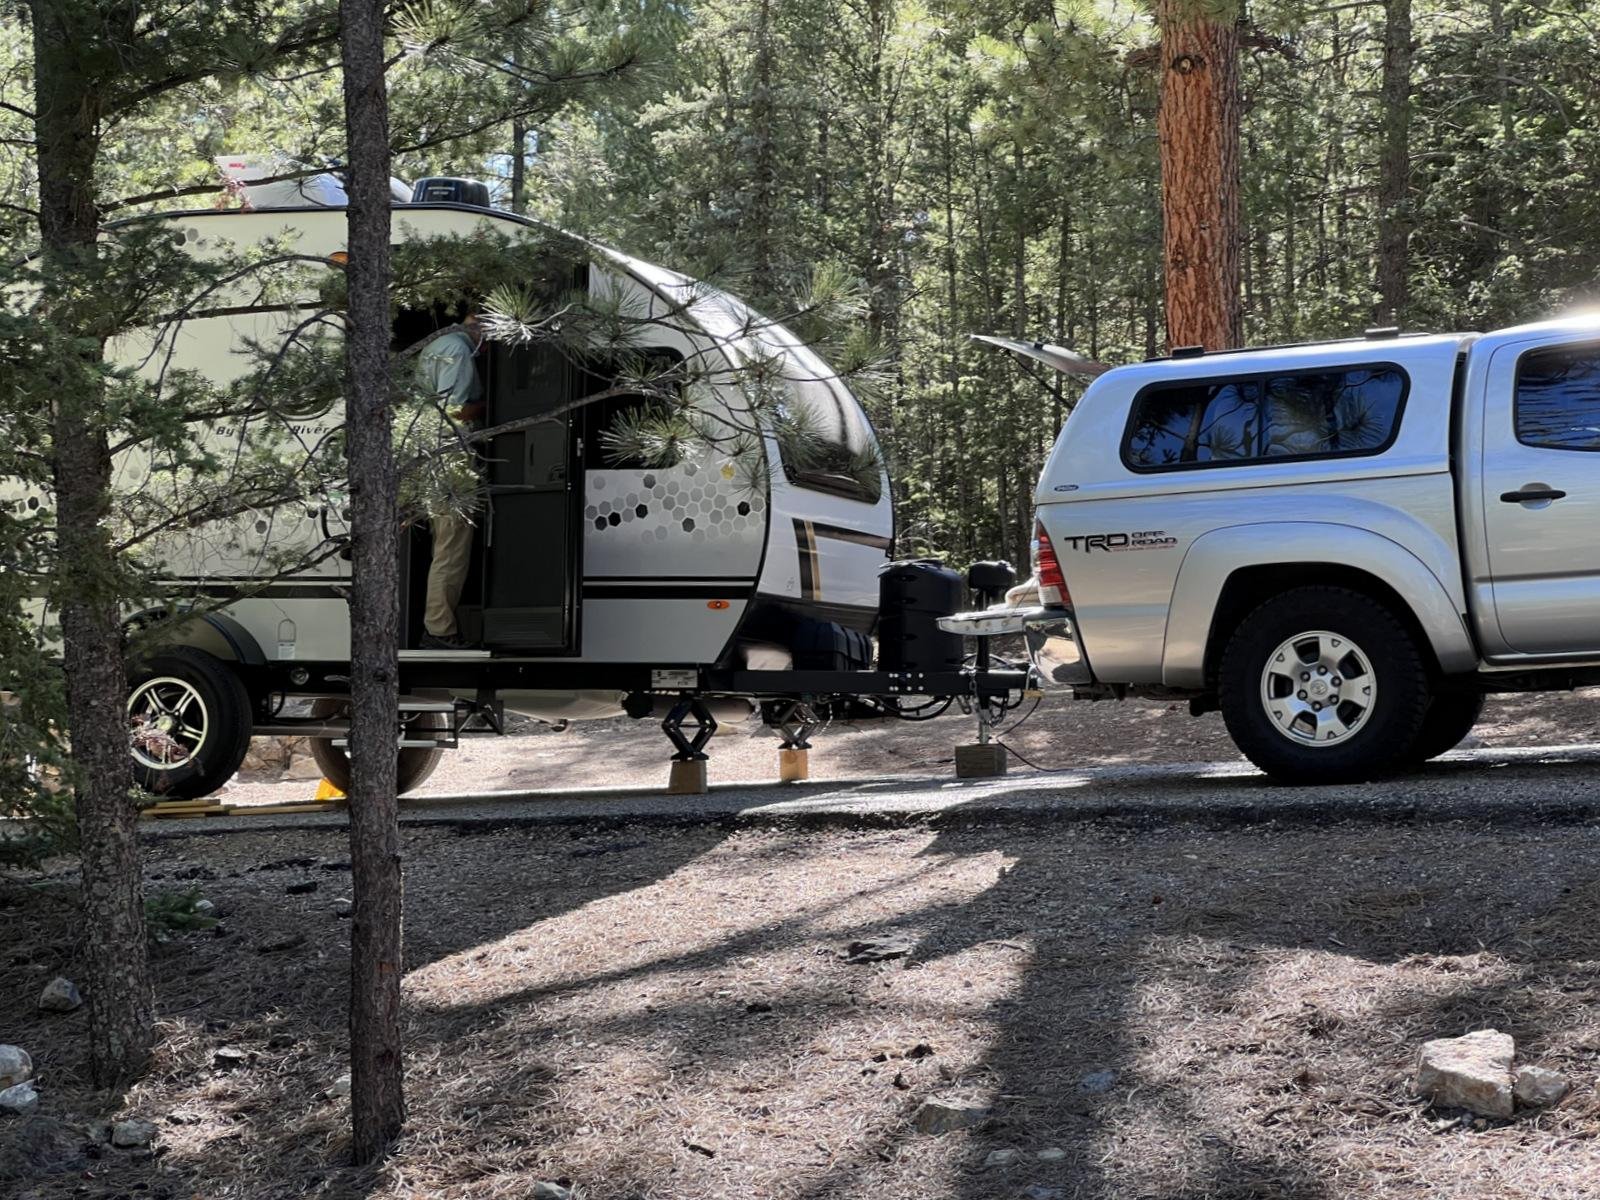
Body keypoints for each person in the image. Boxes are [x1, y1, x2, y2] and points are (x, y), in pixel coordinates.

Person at [414, 310, 486, 649]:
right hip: (449, 454)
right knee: (452, 547)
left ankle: (438, 625)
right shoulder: (458, 349)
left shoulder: (438, 344)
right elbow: (452, 411)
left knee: (443, 543)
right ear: (477, 324)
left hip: (430, 455)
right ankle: (439, 630)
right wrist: (488, 406)